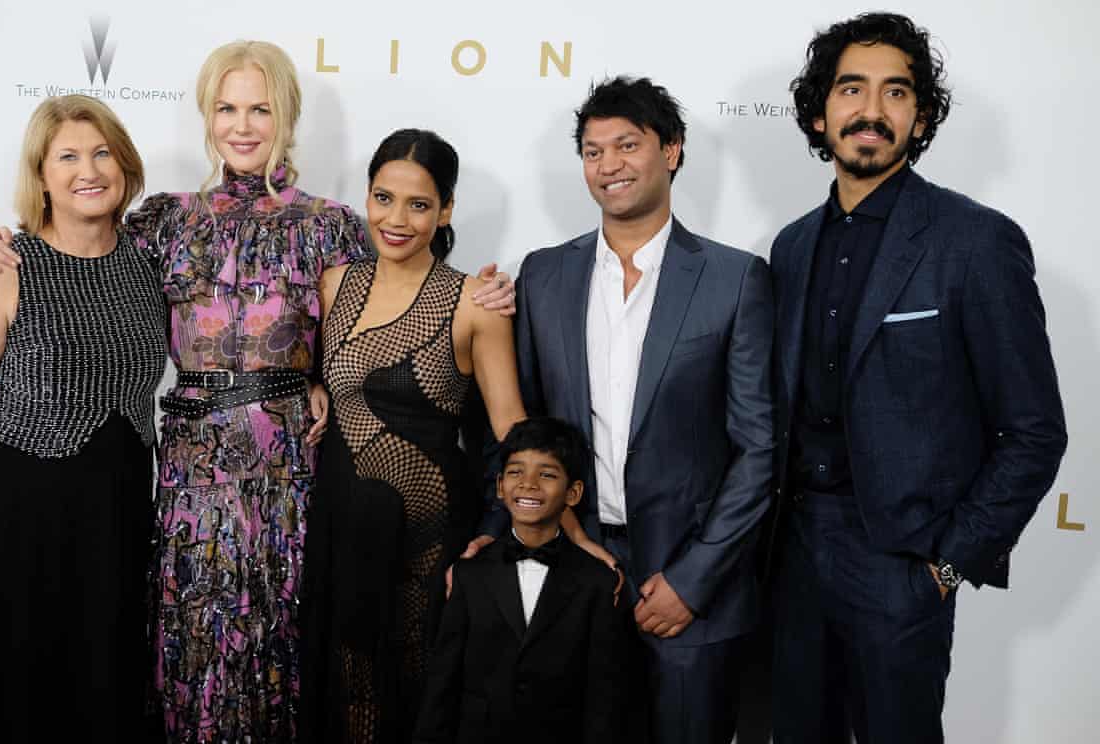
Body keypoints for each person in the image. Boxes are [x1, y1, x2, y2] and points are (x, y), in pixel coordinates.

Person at [0, 43, 514, 742]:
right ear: (207, 116)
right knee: (192, 633)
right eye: (227, 108)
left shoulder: (331, 227)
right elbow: (73, 246)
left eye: (261, 108)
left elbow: (391, 300)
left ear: (288, 115)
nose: (244, 125)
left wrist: (475, 294)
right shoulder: (164, 222)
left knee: (281, 630)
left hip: (289, 466)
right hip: (190, 467)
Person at [767, 13, 1068, 744]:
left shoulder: (974, 240)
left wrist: (946, 563)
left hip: (900, 561)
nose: (871, 110)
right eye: (851, 89)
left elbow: (1033, 430)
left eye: (895, 93)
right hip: (791, 553)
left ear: (919, 116)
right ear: (820, 111)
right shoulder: (792, 245)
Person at [301, 128, 613, 743]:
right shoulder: (334, 284)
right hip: (340, 522)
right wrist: (313, 388)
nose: (396, 219)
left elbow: (511, 433)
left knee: (417, 681)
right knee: (343, 675)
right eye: (383, 198)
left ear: (445, 210)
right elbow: (326, 376)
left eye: (418, 205)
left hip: (425, 536)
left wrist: (572, 531)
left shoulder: (474, 301)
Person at [499, 76, 775, 743]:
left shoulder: (736, 279)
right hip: (573, 566)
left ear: (671, 151)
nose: (609, 165)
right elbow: (524, 431)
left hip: (691, 588)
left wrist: (693, 579)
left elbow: (760, 447)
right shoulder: (542, 274)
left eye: (627, 145)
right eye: (593, 152)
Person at [0, 95, 166, 742]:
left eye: (102, 152)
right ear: (41, 176)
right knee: (11, 697)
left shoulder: (153, 257)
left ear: (124, 165)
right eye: (67, 156)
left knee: (101, 689)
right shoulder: (4, 269)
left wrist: (305, 382)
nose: (88, 170)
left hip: (117, 518)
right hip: (16, 519)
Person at [413, 417, 629, 744]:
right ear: (500, 486)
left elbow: (603, 698)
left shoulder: (596, 582)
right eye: (516, 472)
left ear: (573, 492)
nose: (528, 484)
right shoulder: (469, 574)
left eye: (546, 474)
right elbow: (443, 683)